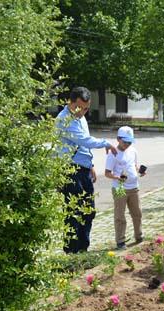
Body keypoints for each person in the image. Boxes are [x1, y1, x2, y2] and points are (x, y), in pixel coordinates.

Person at [57, 87, 118, 253]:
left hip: (83, 169)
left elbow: (81, 146)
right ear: (71, 102)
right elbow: (84, 140)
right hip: (70, 170)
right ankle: (71, 252)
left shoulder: (81, 118)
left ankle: (83, 250)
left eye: (86, 108)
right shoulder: (64, 119)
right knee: (73, 213)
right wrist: (106, 143)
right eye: (79, 107)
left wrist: (90, 165)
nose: (83, 111)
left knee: (88, 211)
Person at [104, 127, 145, 250]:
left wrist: (140, 171)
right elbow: (107, 173)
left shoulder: (133, 151)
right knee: (120, 215)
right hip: (120, 187)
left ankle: (139, 235)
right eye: (125, 141)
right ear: (118, 139)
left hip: (134, 187)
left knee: (137, 213)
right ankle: (120, 241)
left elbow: (134, 166)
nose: (127, 144)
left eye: (129, 142)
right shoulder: (113, 154)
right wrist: (117, 177)